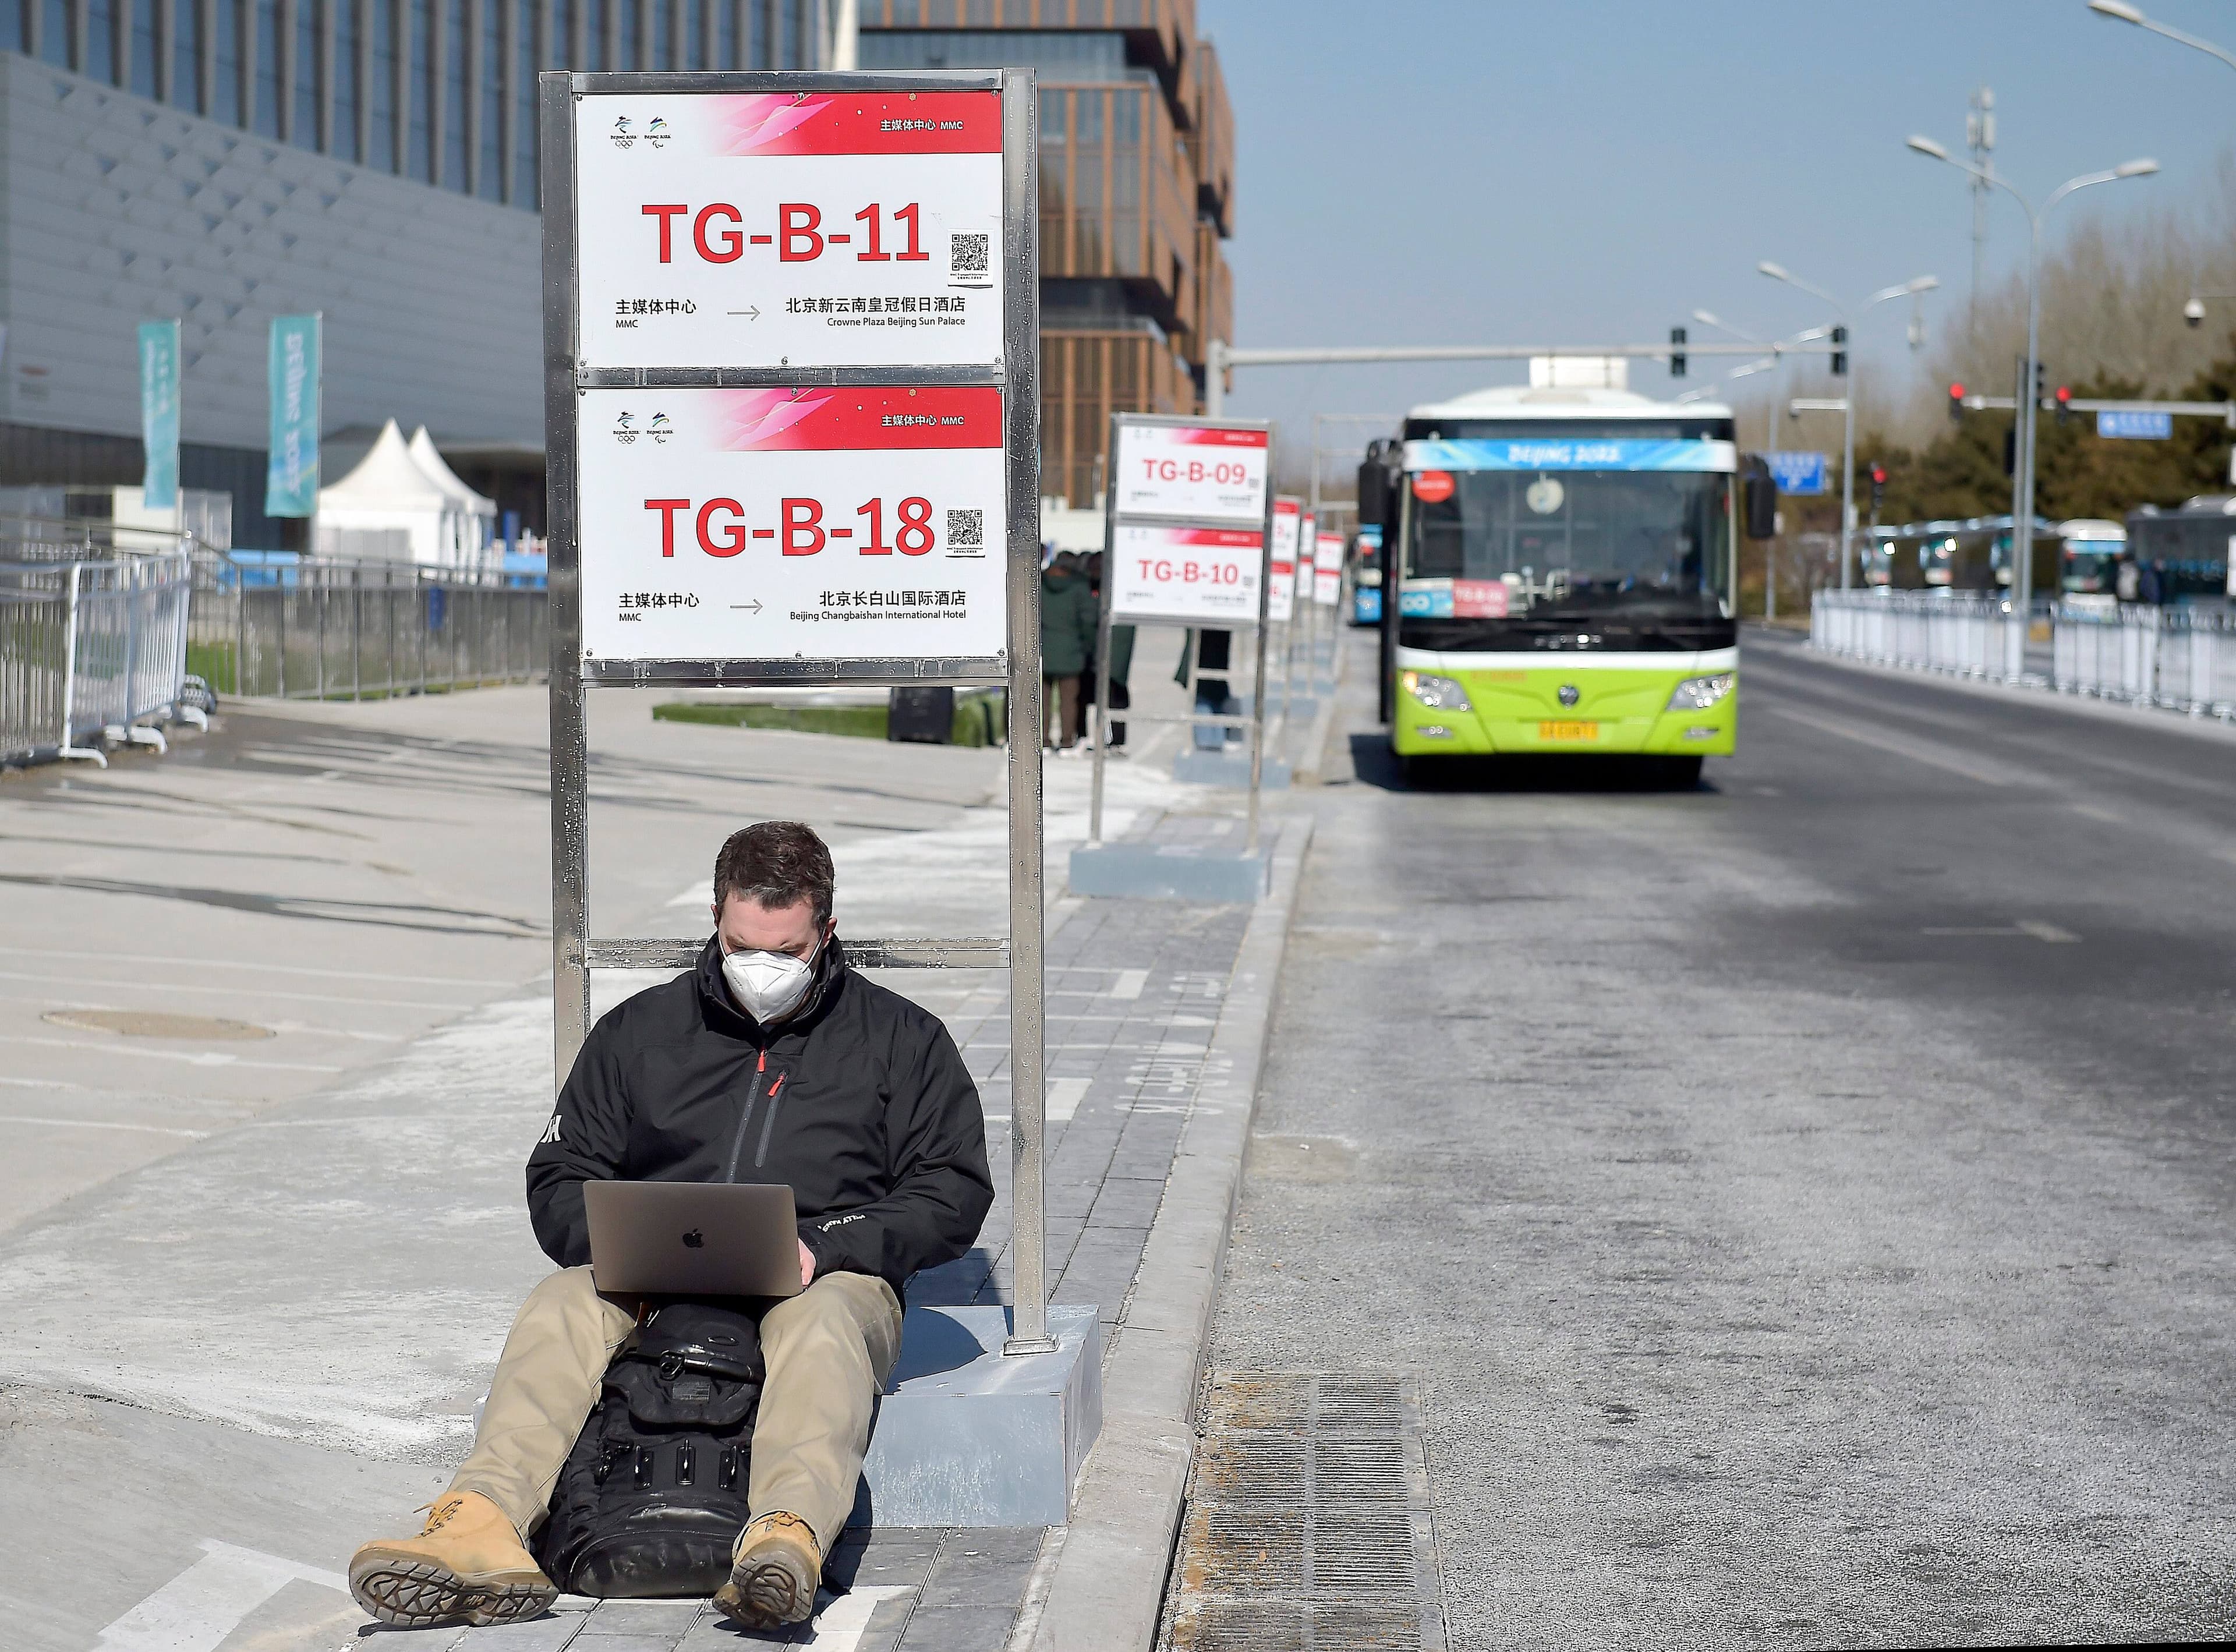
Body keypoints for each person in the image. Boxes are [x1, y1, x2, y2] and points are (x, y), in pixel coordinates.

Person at [347, 822, 993, 1633]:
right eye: (740, 944)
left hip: (819, 1276)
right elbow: (558, 1174)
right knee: (561, 1303)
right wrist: (628, 1246)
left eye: (786, 951)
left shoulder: (904, 1041)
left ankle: (784, 1539)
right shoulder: (639, 1032)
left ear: (827, 932)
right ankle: (482, 1521)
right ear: (715, 919)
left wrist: (827, 1247)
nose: (762, 969)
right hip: (653, 1281)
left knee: (826, 1324)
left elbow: (954, 1189)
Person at [1039, 551, 1096, 751]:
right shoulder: (1079, 588)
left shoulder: (1038, 583)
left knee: (1042, 700)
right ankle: (1067, 742)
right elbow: (1089, 622)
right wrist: (1089, 646)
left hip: (1042, 650)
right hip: (1071, 652)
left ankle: (1043, 741)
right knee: (1069, 702)